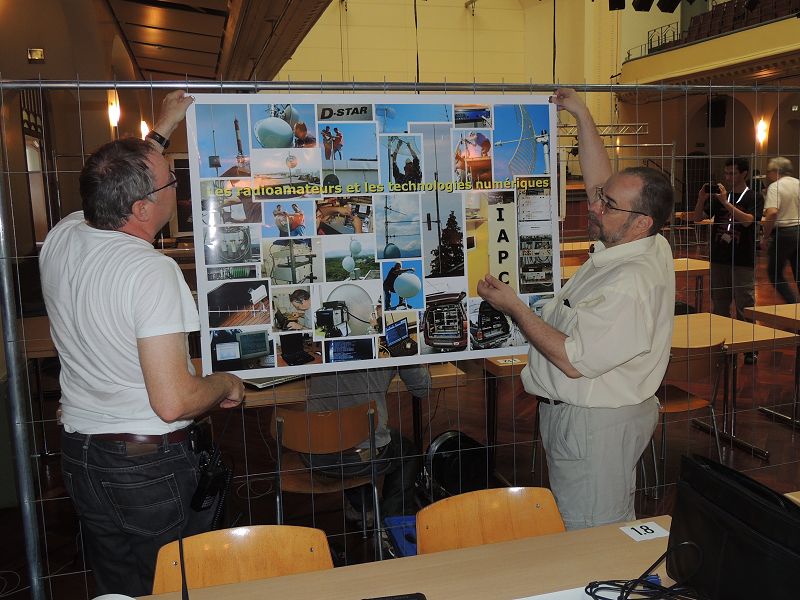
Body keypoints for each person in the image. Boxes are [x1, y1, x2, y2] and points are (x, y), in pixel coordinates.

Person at [39, 91, 245, 597]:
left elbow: (112, 177)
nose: (177, 186)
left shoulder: (63, 235)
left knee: (120, 590)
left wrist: (161, 129)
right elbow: (173, 402)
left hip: (82, 457)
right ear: (141, 207)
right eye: (171, 181)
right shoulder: (150, 271)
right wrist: (225, 383)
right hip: (146, 467)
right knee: (175, 586)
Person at [476, 88, 674, 530]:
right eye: (602, 198)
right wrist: (582, 115)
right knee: (598, 522)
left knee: (591, 532)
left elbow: (571, 360)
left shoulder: (629, 283)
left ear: (640, 222)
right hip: (594, 419)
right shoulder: (649, 242)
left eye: (607, 204)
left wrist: (515, 308)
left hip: (594, 426)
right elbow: (601, 180)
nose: (595, 205)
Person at [305, 365, 431, 550]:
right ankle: (393, 527)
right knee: (406, 453)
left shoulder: (322, 350)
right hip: (360, 456)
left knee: (348, 440)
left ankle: (364, 508)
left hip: (313, 454)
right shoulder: (389, 348)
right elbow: (423, 388)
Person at [693, 157, 762, 363]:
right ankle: (722, 345)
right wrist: (701, 199)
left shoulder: (753, 196)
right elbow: (697, 218)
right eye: (726, 173)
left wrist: (725, 203)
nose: (728, 177)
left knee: (744, 305)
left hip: (742, 260)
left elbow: (748, 221)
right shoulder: (720, 197)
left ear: (744, 174)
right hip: (719, 259)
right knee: (720, 304)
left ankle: (749, 348)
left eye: (732, 173)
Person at [760, 157, 800, 304]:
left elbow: (772, 213)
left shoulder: (775, 186)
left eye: (769, 171)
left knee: (774, 273)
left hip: (785, 232)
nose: (768, 174)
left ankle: (792, 304)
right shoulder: (798, 183)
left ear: (776, 171)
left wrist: (765, 236)